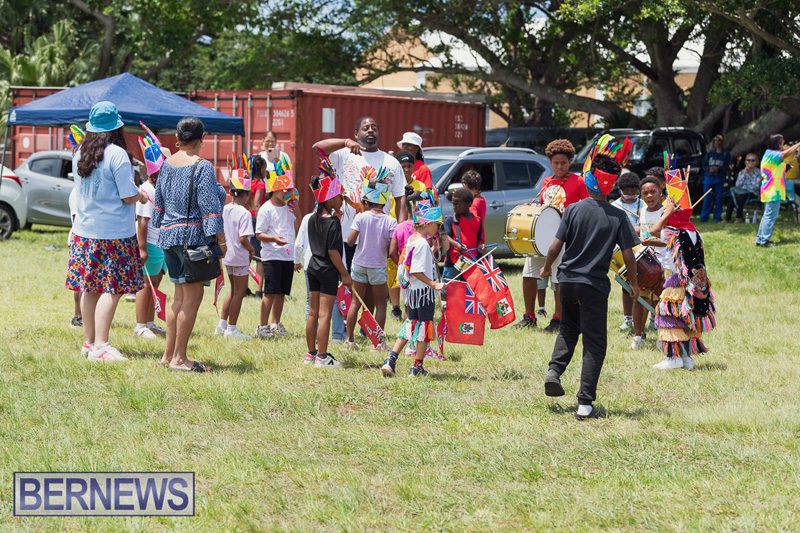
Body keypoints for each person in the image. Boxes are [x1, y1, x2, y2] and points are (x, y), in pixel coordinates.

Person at [541, 139, 639, 420]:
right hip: (594, 286)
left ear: (590, 178)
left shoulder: (572, 209)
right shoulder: (618, 216)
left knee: (569, 330)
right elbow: (629, 256)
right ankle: (585, 404)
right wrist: (633, 284)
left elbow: (555, 247)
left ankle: (554, 371)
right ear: (612, 186)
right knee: (595, 342)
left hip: (567, 281)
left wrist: (547, 269)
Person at [66, 101, 148, 362]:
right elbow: (127, 196)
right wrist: (142, 195)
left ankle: (89, 343)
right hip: (114, 234)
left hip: (84, 232)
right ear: (117, 128)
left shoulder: (79, 152)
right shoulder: (117, 155)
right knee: (112, 289)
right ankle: (102, 346)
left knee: (90, 288)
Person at [152, 116, 226, 372]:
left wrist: (162, 224)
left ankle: (168, 355)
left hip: (168, 236)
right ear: (202, 139)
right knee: (192, 299)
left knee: (178, 298)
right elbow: (209, 207)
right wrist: (221, 240)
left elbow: (158, 205)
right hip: (192, 239)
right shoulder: (202, 166)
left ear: (177, 139)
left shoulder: (167, 164)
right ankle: (180, 359)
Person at [514, 139, 588, 333]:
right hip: (540, 237)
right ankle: (529, 316)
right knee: (529, 274)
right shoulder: (546, 182)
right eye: (555, 163)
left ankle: (558, 318)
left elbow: (586, 208)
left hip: (564, 237)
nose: (559, 166)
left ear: (570, 161)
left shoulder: (578, 181)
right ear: (550, 163)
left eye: (563, 163)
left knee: (558, 279)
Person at [381, 190, 446, 378]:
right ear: (428, 223)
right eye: (437, 225)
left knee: (410, 324)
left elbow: (409, 265)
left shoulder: (413, 239)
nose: (438, 229)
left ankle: (391, 359)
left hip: (412, 293)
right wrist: (434, 285)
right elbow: (416, 270)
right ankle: (417, 367)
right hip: (423, 293)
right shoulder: (422, 244)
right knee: (425, 327)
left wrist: (433, 249)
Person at [649, 192, 716, 370]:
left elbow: (654, 230)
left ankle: (673, 358)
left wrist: (666, 213)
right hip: (694, 283)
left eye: (668, 208)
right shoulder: (693, 232)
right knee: (686, 319)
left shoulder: (672, 231)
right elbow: (672, 246)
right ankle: (687, 358)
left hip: (676, 282)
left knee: (667, 317)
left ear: (674, 212)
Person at [345, 171, 397, 351]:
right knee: (381, 304)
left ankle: (349, 341)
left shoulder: (360, 217)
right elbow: (391, 251)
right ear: (384, 201)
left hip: (359, 264)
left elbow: (350, 242)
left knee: (354, 303)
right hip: (378, 266)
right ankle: (377, 343)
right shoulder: (391, 221)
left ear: (367, 200)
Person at [305, 174, 352, 368]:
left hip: (313, 267)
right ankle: (323, 358)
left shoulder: (312, 219)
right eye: (340, 196)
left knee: (313, 313)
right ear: (330, 198)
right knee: (325, 314)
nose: (342, 199)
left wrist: (336, 220)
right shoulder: (332, 222)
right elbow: (333, 252)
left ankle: (311, 354)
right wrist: (345, 274)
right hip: (327, 271)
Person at [133, 140, 171, 340]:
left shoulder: (159, 189)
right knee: (146, 284)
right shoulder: (147, 190)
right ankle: (140, 326)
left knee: (155, 283)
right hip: (149, 244)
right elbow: (142, 222)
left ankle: (149, 322)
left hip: (159, 243)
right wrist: (142, 249)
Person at [255, 157, 296, 338]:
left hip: (287, 256)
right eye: (283, 189)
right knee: (270, 292)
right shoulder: (266, 208)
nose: (287, 192)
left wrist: (297, 208)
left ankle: (275, 324)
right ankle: (262, 326)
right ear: (273, 188)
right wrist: (274, 239)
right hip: (272, 255)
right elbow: (259, 233)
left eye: (289, 189)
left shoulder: (289, 207)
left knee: (281, 292)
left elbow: (297, 224)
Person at [630, 177, 670, 349]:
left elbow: (670, 240)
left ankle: (662, 336)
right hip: (645, 261)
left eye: (653, 191)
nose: (649, 195)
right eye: (645, 193)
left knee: (660, 301)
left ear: (660, 193)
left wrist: (651, 242)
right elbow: (643, 231)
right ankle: (638, 336)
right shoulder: (643, 211)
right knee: (639, 299)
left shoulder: (666, 212)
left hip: (663, 262)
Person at [216, 169, 255, 340]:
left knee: (232, 290)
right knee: (239, 292)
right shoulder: (245, 213)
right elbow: (243, 239)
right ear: (247, 194)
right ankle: (232, 329)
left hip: (227, 256)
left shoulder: (225, 209)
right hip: (240, 256)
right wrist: (252, 250)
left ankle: (222, 325)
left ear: (230, 192)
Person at [388, 150, 426, 320]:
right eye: (402, 166)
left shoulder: (421, 186)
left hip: (415, 231)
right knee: (393, 267)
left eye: (409, 166)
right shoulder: (389, 185)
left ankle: (411, 305)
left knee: (413, 268)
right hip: (395, 230)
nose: (405, 169)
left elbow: (426, 207)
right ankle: (395, 307)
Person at [610, 172, 644, 334]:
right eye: (626, 193)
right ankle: (627, 319)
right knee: (626, 286)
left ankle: (651, 319)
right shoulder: (614, 206)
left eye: (634, 193)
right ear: (619, 190)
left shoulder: (643, 204)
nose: (630, 197)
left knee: (645, 286)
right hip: (623, 251)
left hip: (642, 249)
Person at [756, 134, 800, 247]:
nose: (783, 144)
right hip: (772, 191)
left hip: (770, 190)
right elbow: (785, 154)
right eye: (782, 142)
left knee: (767, 215)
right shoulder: (772, 154)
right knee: (770, 217)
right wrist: (798, 144)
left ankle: (760, 239)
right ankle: (765, 241)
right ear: (777, 144)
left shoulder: (770, 155)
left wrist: (787, 168)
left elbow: (776, 171)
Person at [442, 187, 485, 281]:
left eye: (457, 204)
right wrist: (456, 245)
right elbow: (444, 236)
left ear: (469, 204)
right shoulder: (450, 219)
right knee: (448, 290)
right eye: (453, 204)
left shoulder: (478, 221)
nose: (454, 207)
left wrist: (481, 247)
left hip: (471, 263)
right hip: (453, 262)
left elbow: (479, 241)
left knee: (467, 292)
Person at [700, 134, 731, 223]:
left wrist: (718, 169)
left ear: (722, 142)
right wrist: (709, 169)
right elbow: (704, 165)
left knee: (719, 198)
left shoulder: (725, 154)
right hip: (709, 178)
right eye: (716, 141)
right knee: (707, 199)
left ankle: (717, 217)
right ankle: (704, 217)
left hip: (720, 178)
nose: (717, 143)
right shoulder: (709, 154)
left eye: (719, 141)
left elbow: (727, 167)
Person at [248, 155, 267, 298]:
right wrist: (261, 222)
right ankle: (259, 290)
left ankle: (243, 287)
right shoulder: (260, 183)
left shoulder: (248, 182)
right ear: (260, 168)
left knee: (247, 254)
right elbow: (257, 204)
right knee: (259, 256)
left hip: (247, 218)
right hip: (256, 218)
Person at [725, 153, 761, 223]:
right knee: (732, 197)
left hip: (753, 193)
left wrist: (745, 189)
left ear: (756, 162)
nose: (750, 162)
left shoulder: (759, 173)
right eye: (748, 160)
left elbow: (756, 186)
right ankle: (727, 218)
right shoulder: (742, 172)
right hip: (741, 192)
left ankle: (739, 217)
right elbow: (738, 185)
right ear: (746, 162)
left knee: (740, 196)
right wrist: (744, 174)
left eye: (753, 160)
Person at [67, 185, 83, 328]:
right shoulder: (77, 192)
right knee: (80, 282)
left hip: (82, 238)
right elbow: (75, 217)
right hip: (79, 238)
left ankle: (82, 315)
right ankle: (78, 316)